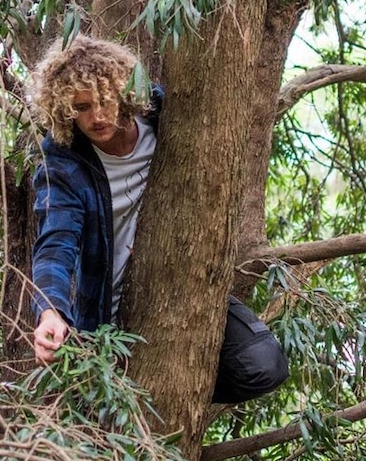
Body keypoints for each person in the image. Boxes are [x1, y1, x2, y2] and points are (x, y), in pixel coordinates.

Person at [28, 35, 288, 403]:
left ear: (124, 92)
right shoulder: (64, 163)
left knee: (263, 365)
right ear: (64, 109)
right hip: (109, 312)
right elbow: (55, 244)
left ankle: (161, 386)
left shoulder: (168, 117)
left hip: (183, 285)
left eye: (105, 100)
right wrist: (50, 313)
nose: (98, 116)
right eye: (82, 107)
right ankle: (139, 386)